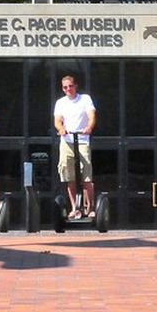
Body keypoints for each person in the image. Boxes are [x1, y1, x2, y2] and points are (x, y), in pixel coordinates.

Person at [53, 75, 96, 219]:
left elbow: (91, 116)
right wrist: (61, 129)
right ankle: (74, 208)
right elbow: (57, 121)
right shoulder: (60, 103)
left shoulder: (85, 99)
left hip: (82, 140)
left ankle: (90, 207)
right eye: (65, 87)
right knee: (69, 176)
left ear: (75, 86)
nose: (68, 89)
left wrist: (89, 127)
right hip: (67, 141)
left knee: (86, 177)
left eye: (70, 86)